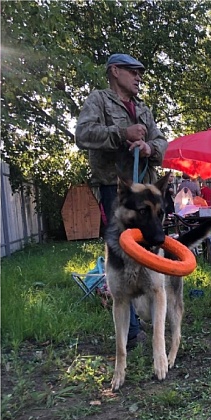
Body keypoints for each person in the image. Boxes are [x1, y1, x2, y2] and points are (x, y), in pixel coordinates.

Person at [75, 52, 168, 349]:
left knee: (151, 247)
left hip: (147, 190)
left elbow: (163, 143)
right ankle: (130, 331)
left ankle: (153, 307)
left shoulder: (144, 108)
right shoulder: (99, 100)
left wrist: (149, 147)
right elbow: (83, 134)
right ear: (115, 71)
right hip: (114, 191)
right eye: (132, 72)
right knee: (119, 250)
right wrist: (121, 133)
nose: (138, 77)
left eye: (140, 72)